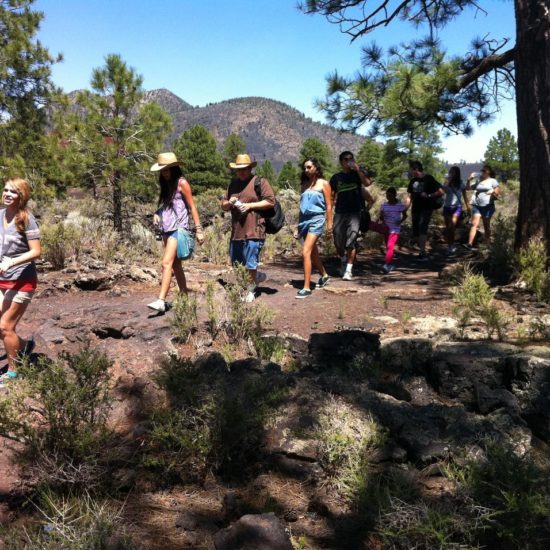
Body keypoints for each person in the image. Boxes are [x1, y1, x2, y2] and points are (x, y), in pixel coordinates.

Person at [148, 152, 204, 313]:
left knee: (166, 263)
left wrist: (198, 229)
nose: (165, 172)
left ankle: (161, 300)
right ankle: (184, 296)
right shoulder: (167, 185)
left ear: (174, 168)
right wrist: (157, 213)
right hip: (167, 228)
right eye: (162, 170)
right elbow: (166, 205)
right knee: (175, 265)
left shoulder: (182, 183)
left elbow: (192, 206)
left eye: (167, 169)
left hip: (178, 229)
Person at [0, 178, 41, 387]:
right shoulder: (0, 216)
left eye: (13, 192)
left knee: (5, 326)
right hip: (2, 280)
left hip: (22, 280)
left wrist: (12, 262)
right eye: (6, 190)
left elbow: (36, 251)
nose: (7, 194)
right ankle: (24, 346)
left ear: (21, 196)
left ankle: (13, 372)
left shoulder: (25, 219)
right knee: (2, 329)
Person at [221, 154, 276, 303]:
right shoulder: (233, 184)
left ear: (250, 168)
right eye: (239, 169)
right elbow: (223, 205)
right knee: (237, 263)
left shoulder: (260, 182)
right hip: (237, 230)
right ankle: (254, 279)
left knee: (250, 262)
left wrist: (250, 205)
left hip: (255, 229)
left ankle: (250, 290)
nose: (242, 172)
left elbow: (271, 201)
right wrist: (230, 202)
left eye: (245, 169)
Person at [330, 151, 373, 280]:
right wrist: (329, 211)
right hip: (340, 212)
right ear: (341, 162)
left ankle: (348, 270)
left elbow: (367, 183)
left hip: (355, 212)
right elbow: (331, 196)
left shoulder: (357, 174)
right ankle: (343, 260)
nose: (348, 161)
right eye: (345, 159)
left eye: (351, 158)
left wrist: (358, 169)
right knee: (337, 239)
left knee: (351, 240)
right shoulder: (336, 178)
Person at [295, 158, 333, 298]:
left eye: (309, 167)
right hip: (304, 221)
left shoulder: (324, 183)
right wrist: (298, 228)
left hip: (317, 219)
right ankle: (324, 275)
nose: (306, 170)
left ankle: (306, 288)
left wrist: (329, 225)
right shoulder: (304, 185)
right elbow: (301, 208)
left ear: (316, 167)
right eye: (304, 168)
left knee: (305, 251)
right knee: (312, 252)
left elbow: (329, 205)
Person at [406, 160, 444, 260]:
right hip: (415, 209)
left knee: (422, 227)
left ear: (416, 169)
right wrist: (405, 208)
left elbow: (441, 191)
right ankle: (420, 249)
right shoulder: (413, 181)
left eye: (411, 169)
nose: (410, 172)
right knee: (416, 230)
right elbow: (410, 196)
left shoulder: (429, 178)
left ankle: (423, 252)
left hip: (426, 208)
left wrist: (429, 195)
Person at [368, 187, 408, 273]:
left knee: (390, 246)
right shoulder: (384, 205)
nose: (388, 197)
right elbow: (381, 216)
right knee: (388, 247)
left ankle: (387, 265)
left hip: (395, 229)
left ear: (394, 195)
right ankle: (390, 264)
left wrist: (400, 221)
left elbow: (405, 216)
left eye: (390, 195)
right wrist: (378, 221)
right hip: (385, 228)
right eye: (387, 195)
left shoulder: (400, 205)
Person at [464, 165, 500, 249]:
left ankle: (487, 244)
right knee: (474, 224)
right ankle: (469, 244)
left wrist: (493, 192)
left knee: (486, 225)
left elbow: (497, 190)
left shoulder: (492, 181)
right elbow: (468, 188)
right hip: (477, 205)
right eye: (482, 170)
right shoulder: (479, 181)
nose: (482, 172)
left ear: (489, 172)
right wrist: (469, 180)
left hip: (487, 206)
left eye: (484, 170)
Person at [442, 166, 470, 254]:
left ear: (457, 173)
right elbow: (444, 191)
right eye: (450, 172)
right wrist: (448, 181)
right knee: (448, 228)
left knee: (452, 226)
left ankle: (452, 245)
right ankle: (450, 246)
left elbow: (465, 196)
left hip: (457, 207)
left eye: (453, 172)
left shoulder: (461, 183)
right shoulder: (447, 182)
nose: (451, 174)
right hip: (447, 207)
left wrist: (468, 207)